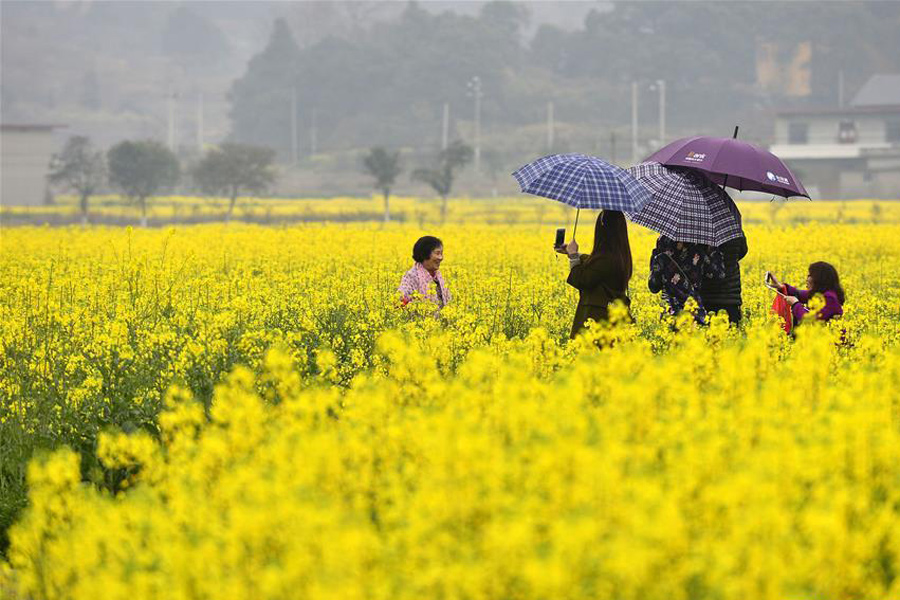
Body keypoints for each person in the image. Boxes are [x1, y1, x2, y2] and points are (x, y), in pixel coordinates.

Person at [556, 210, 632, 339]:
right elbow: (597, 266)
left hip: (596, 320)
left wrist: (574, 257)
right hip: (613, 318)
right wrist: (574, 254)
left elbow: (582, 279)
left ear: (603, 230)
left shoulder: (606, 258)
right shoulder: (620, 255)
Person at [648, 236, 726, 324]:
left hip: (670, 312)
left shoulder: (663, 242)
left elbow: (654, 287)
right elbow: (718, 275)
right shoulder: (702, 241)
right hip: (694, 310)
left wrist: (656, 259)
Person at [767, 262, 844, 324]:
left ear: (820, 279)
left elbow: (810, 320)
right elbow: (799, 294)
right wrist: (781, 287)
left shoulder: (830, 298)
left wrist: (795, 304)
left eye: (810, 275)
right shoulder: (821, 294)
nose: (807, 278)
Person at [699, 235, 748, 324]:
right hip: (731, 297)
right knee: (731, 334)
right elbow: (743, 251)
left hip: (706, 297)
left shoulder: (699, 232)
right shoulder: (733, 229)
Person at [398, 236, 451, 308]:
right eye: (437, 253)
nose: (441, 258)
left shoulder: (439, 277)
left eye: (441, 254)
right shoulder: (412, 276)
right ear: (425, 254)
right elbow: (400, 302)